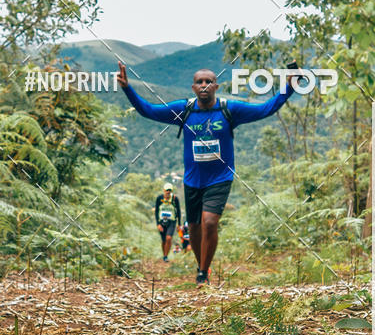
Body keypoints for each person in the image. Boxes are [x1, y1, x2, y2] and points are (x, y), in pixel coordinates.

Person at [117, 62, 298, 285]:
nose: (204, 85)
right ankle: (201, 264)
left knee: (210, 223)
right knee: (193, 227)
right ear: (193, 87)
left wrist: (288, 87)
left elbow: (266, 108)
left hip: (220, 178)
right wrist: (127, 88)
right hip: (193, 180)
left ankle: (203, 273)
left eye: (208, 82)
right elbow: (149, 110)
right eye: (200, 82)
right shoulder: (184, 110)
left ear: (216, 86)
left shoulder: (229, 110)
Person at [155, 182, 181, 262]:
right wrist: (158, 224)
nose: (168, 192)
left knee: (168, 238)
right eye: (167, 190)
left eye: (170, 190)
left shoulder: (174, 199)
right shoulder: (159, 198)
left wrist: (179, 224)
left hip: (172, 221)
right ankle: (164, 255)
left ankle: (166, 256)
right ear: (164, 190)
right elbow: (156, 211)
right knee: (163, 240)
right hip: (162, 222)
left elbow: (178, 211)